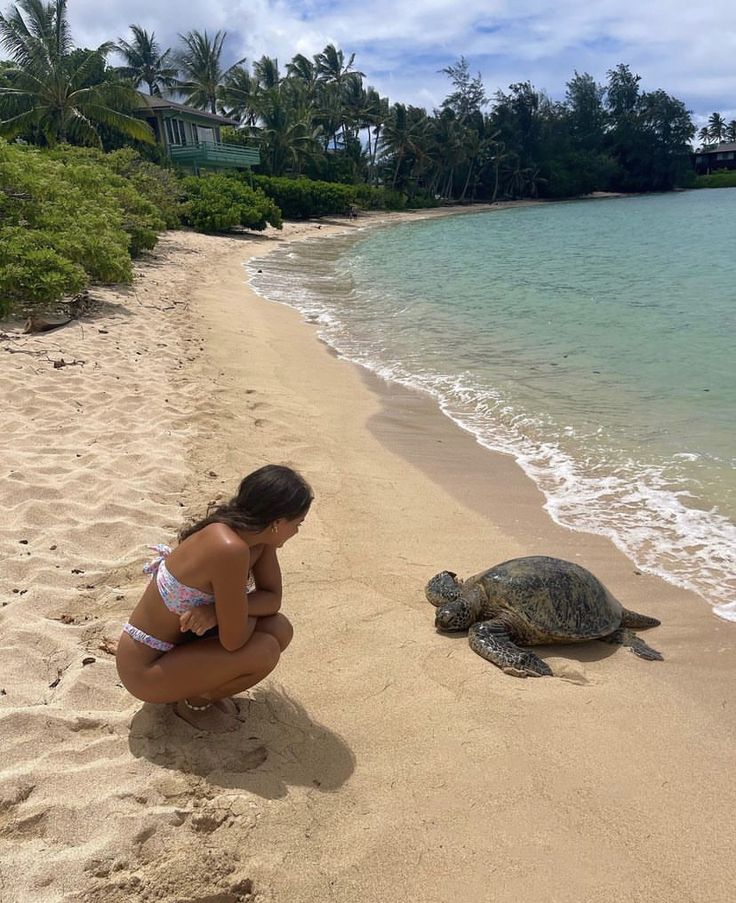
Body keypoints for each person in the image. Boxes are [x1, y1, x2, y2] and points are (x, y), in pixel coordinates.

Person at [115, 464, 313, 731]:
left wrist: (216, 612)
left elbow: (273, 599)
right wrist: (228, 612)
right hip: (146, 669)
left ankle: (198, 684)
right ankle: (195, 703)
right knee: (263, 651)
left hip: (179, 648)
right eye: (297, 524)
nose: (297, 531)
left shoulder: (256, 539)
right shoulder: (230, 548)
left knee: (279, 628)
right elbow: (234, 641)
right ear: (277, 522)